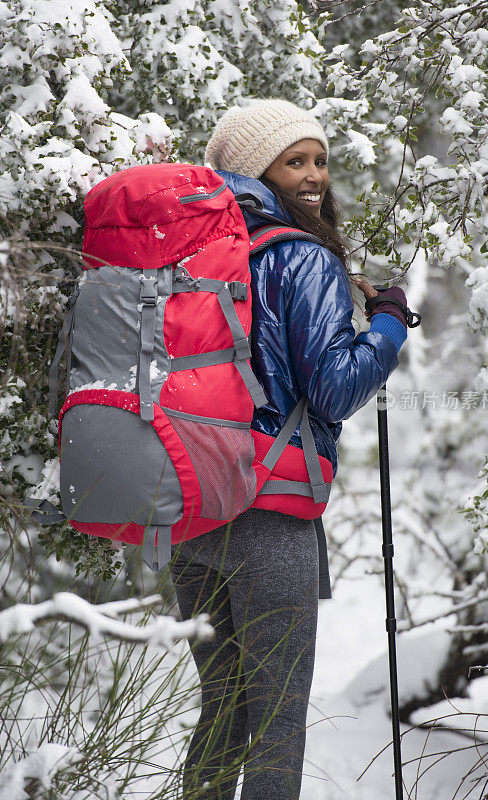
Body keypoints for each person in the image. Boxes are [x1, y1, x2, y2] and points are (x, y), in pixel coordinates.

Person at [171, 99, 408, 800]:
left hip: (193, 505)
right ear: (256, 171)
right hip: (270, 512)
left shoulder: (195, 254)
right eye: (293, 161)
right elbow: (333, 390)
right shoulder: (303, 256)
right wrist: (388, 327)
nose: (313, 176)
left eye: (319, 159)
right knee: (276, 718)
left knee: (225, 705)